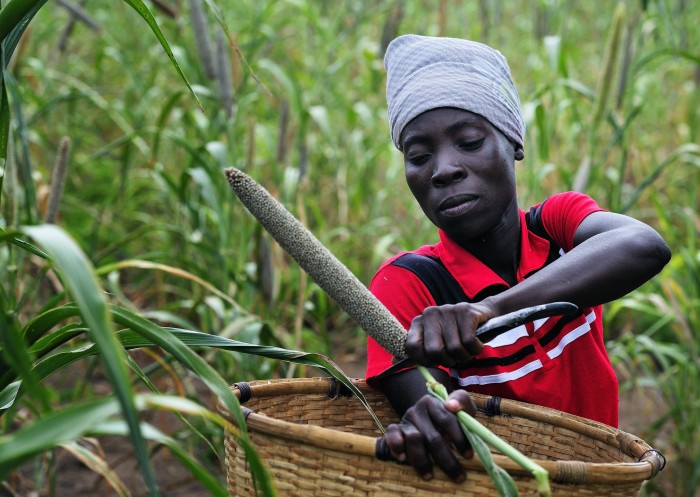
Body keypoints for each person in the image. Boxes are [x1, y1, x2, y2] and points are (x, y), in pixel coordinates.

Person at [365, 34, 671, 484]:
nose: (443, 168)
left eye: (468, 141)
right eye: (419, 156)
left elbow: (644, 246)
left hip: (598, 484)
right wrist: (436, 415)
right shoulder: (409, 285)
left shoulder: (559, 229)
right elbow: (433, 410)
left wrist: (489, 310)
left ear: (513, 142)